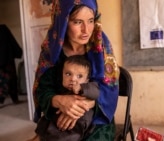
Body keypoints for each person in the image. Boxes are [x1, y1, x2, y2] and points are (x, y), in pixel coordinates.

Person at [32, 0, 120, 140]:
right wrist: (60, 100)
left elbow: (110, 92)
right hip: (59, 117)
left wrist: (80, 106)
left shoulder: (102, 49)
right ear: (63, 22)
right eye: (78, 22)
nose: (86, 30)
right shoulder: (52, 50)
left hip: (96, 120)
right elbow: (42, 90)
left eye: (91, 20)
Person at [35, 55, 100, 141]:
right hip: (55, 121)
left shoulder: (89, 86)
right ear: (62, 75)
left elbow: (96, 92)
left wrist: (82, 88)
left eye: (79, 76)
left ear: (87, 79)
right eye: (68, 74)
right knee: (44, 122)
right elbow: (43, 93)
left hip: (76, 124)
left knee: (65, 135)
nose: (73, 79)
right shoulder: (60, 88)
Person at [0, 24, 23, 104]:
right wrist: (18, 52)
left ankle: (2, 99)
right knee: (11, 79)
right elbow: (11, 40)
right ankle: (14, 99)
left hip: (5, 58)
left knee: (3, 80)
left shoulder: (3, 28)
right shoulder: (3, 28)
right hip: (7, 58)